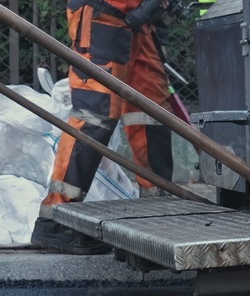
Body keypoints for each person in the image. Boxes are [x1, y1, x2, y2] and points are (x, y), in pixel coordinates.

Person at [31, 0, 175, 254]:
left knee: (151, 113)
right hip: (103, 15)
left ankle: (156, 210)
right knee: (94, 116)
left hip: (139, 20)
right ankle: (55, 218)